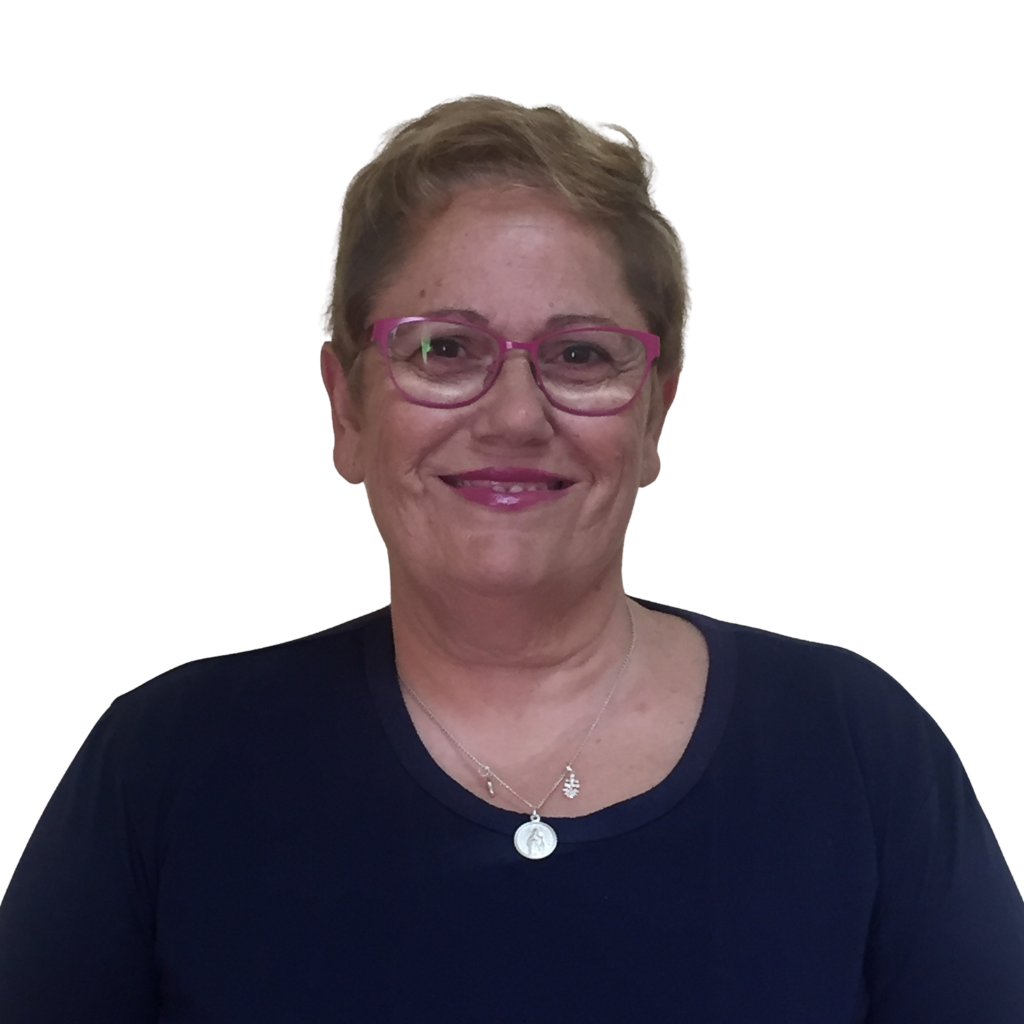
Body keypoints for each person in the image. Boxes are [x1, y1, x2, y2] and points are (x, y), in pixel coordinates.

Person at [0, 96, 1022, 1023]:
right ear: (347, 408)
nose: (514, 417)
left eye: (580, 355)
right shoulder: (167, 767)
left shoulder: (855, 751)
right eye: (443, 349)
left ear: (655, 415)